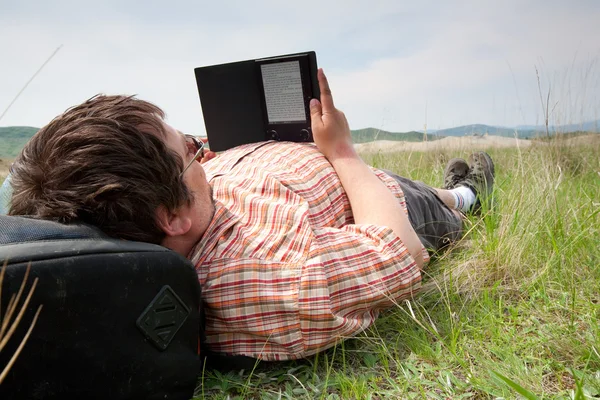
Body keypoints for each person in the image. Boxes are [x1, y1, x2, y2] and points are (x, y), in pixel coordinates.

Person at [6, 69, 494, 361]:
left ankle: (454, 188)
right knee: (438, 204)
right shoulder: (267, 280)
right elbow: (398, 249)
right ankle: (469, 194)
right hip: (374, 193)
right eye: (193, 150)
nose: (201, 153)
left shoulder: (168, 217)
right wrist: (343, 152)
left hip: (296, 165)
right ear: (172, 216)